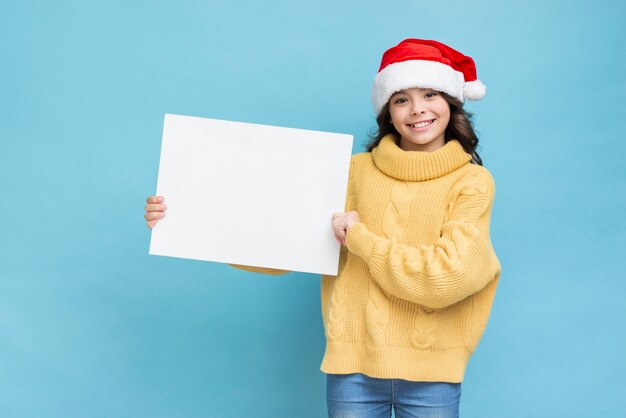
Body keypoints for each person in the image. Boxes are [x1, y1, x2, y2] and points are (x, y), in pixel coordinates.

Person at [145, 38, 501, 418]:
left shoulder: (473, 183)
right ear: (388, 112)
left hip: (433, 377)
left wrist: (360, 239)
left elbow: (448, 277)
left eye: (429, 94)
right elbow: (288, 242)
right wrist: (187, 218)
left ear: (451, 101)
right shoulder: (355, 172)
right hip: (352, 374)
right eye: (401, 99)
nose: (417, 110)